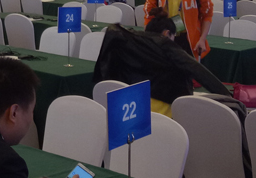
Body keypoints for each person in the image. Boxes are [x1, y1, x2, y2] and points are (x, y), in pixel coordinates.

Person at [95, 15, 231, 117]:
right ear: (166, 33)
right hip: (164, 113)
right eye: (173, 37)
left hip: (130, 108)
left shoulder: (127, 40)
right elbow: (196, 69)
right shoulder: (165, 44)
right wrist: (227, 95)